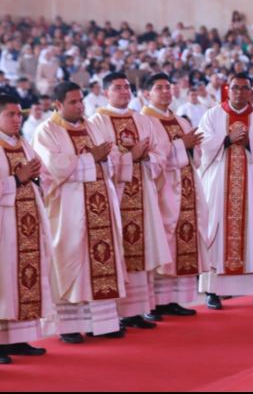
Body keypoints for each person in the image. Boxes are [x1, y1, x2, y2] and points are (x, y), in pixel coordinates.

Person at [33, 82, 127, 344]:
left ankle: (104, 323)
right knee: (70, 261)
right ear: (58, 105)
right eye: (73, 102)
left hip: (101, 206)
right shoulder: (46, 131)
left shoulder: (93, 126)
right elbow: (52, 169)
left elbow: (112, 154)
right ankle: (69, 325)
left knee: (102, 259)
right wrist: (90, 158)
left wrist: (107, 157)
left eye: (81, 101)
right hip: (68, 210)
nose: (80, 106)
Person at [197, 73, 253, 309]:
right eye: (235, 88)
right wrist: (227, 139)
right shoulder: (212, 115)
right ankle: (213, 291)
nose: (239, 92)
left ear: (250, 92)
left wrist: (249, 143)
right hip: (219, 184)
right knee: (215, 230)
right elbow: (202, 147)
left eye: (243, 88)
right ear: (228, 90)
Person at [89, 73, 172, 329]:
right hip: (114, 197)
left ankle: (137, 311)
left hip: (142, 193)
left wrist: (146, 157)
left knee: (141, 247)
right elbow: (101, 157)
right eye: (118, 88)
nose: (124, 91)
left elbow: (161, 151)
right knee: (117, 251)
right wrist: (129, 157)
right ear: (106, 92)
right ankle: (116, 313)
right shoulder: (97, 122)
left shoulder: (142, 120)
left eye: (127, 87)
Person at [141, 74, 209, 316]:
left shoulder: (180, 120)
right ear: (147, 94)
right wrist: (182, 145)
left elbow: (196, 156)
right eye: (159, 88)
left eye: (168, 87)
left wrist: (191, 146)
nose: (165, 91)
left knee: (183, 239)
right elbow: (152, 158)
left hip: (187, 186)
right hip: (162, 189)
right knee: (163, 240)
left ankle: (173, 299)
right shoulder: (144, 122)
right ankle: (154, 303)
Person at [0, 95, 53, 363]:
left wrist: (36, 177)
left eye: (19, 114)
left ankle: (19, 338)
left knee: (22, 278)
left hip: (26, 221)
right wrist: (16, 179)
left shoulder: (22, 143)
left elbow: (44, 175)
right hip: (3, 225)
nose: (17, 119)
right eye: (10, 114)